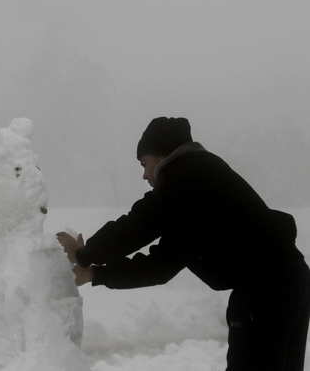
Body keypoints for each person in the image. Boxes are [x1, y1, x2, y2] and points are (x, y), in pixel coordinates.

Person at [57, 117, 310, 371]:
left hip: (267, 291)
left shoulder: (187, 174)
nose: (144, 174)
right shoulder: (195, 191)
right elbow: (161, 265)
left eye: (144, 163)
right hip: (285, 285)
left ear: (162, 155)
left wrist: (83, 254)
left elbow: (138, 224)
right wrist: (95, 273)